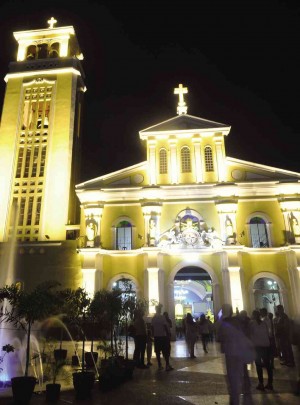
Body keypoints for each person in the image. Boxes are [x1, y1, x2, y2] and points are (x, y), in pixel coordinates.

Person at [216, 304, 253, 405]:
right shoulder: (237, 322)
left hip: (230, 353)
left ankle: (235, 397)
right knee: (241, 372)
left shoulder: (222, 323)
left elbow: (219, 337)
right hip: (239, 351)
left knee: (232, 376)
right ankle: (245, 390)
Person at [249, 310, 273, 391]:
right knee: (268, 366)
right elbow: (268, 334)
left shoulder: (252, 324)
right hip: (265, 346)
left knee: (259, 366)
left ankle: (261, 383)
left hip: (257, 347)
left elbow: (250, 334)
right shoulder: (264, 323)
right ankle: (270, 383)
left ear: (253, 315)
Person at [151, 304, 174, 371]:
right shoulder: (162, 317)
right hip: (163, 336)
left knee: (157, 352)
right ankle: (167, 365)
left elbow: (152, 327)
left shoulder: (154, 318)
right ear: (159, 310)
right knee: (165, 351)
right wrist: (168, 333)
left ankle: (159, 365)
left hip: (156, 337)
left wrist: (153, 334)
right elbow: (165, 326)